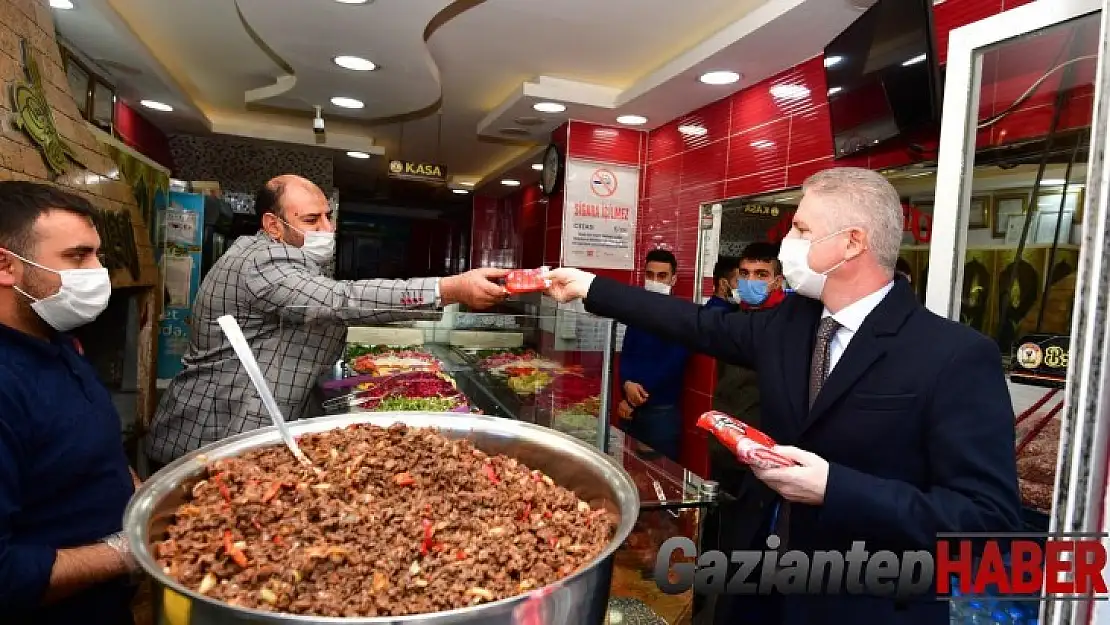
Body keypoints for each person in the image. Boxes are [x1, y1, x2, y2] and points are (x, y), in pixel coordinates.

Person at [545, 167, 1020, 625]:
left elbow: (986, 523)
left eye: (800, 228)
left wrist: (835, 487)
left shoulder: (954, 355)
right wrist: (591, 287)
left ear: (852, 242)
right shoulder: (791, 323)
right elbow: (697, 324)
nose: (786, 244)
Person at [146, 175, 510, 468]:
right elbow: (340, 300)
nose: (327, 228)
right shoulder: (261, 260)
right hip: (215, 433)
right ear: (273, 225)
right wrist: (449, 289)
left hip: (246, 426)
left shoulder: (276, 254)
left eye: (327, 215)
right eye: (311, 220)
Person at [0, 182, 142, 625]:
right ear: (6, 266)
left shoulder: (59, 343)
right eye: (77, 257)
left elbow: (97, 455)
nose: (98, 273)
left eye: (98, 255)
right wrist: (131, 551)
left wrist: (153, 503)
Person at [615, 249, 689, 462]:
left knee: (660, 479)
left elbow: (671, 365)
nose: (655, 280)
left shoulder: (681, 315)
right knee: (628, 471)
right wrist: (626, 383)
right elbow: (627, 352)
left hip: (660, 412)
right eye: (650, 275)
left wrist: (632, 400)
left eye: (662, 276)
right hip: (630, 408)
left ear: (673, 279)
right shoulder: (638, 311)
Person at [735, 241, 786, 310]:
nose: (750, 280)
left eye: (761, 275)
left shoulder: (790, 316)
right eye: (744, 273)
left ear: (777, 282)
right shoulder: (731, 314)